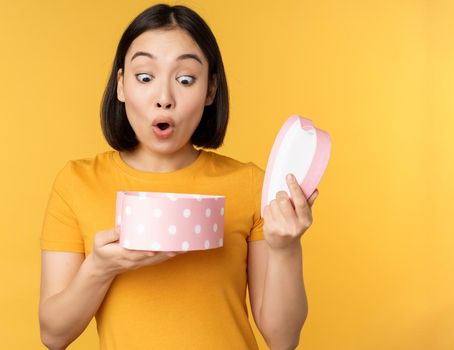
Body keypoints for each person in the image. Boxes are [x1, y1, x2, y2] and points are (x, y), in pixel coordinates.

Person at [38, 4, 319, 349]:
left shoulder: (250, 185)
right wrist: (100, 267)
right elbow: (53, 335)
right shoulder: (77, 182)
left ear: (210, 91)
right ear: (122, 85)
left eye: (185, 79)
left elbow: (283, 340)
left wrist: (285, 247)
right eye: (145, 77)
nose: (164, 98)